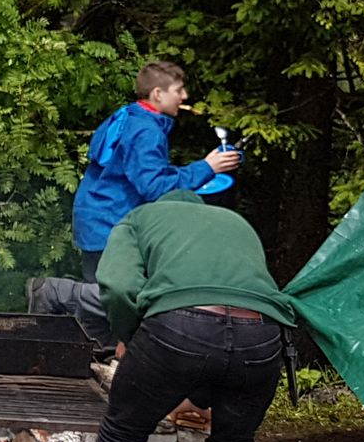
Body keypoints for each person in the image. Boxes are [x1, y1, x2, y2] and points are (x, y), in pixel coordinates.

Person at [32, 191, 297, 442]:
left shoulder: (139, 219)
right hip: (261, 336)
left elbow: (118, 286)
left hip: (179, 326)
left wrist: (129, 335)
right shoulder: (235, 222)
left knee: (123, 432)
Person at [71, 62, 240, 281]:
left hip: (96, 221)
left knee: (99, 290)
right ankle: (52, 292)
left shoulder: (129, 115)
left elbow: (141, 173)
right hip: (111, 227)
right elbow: (155, 187)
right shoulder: (146, 132)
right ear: (158, 94)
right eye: (178, 90)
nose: (184, 96)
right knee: (111, 296)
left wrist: (205, 166)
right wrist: (208, 167)